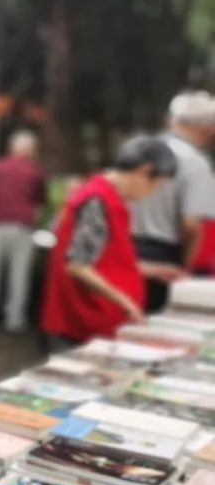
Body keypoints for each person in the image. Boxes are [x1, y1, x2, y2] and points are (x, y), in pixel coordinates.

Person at [41, 135, 183, 350]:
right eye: (155, 186)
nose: (151, 194)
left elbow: (107, 260)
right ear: (143, 171)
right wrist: (124, 300)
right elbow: (77, 264)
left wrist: (154, 270)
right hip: (81, 326)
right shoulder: (97, 201)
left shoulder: (112, 199)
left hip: (100, 323)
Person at [131, 91, 215, 311]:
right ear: (207, 130)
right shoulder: (195, 163)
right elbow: (191, 224)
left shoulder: (141, 150)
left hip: (127, 249)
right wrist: (185, 267)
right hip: (165, 256)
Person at [0, 131, 47, 332]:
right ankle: (14, 318)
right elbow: (40, 205)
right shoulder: (35, 171)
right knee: (19, 274)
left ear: (12, 147)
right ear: (30, 149)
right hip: (23, 228)